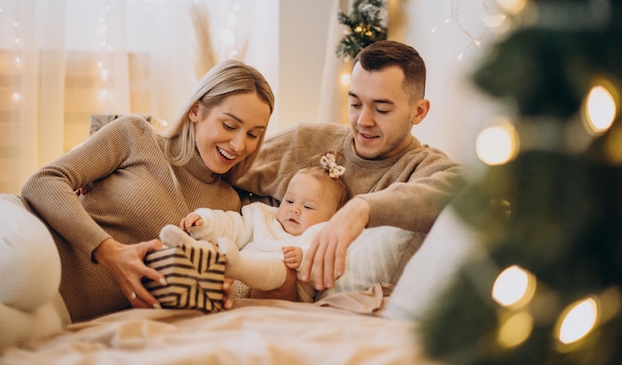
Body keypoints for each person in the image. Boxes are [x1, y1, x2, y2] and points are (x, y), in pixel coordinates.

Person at [9, 59, 275, 329]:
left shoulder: (228, 207)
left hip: (63, 311)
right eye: (229, 126)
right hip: (29, 239)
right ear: (196, 110)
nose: (240, 144)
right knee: (31, 274)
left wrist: (212, 287)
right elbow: (43, 181)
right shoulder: (136, 135)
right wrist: (110, 253)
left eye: (253, 134)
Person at [234, 40, 468, 296]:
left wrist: (361, 208)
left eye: (381, 109)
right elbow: (219, 168)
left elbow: (465, 191)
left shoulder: (420, 166)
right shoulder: (306, 140)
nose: (363, 121)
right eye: (355, 104)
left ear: (419, 112)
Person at [160, 152, 348, 303]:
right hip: (231, 283)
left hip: (273, 296)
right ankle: (189, 250)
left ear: (334, 215)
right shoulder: (263, 216)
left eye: (307, 207)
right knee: (215, 248)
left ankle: (237, 266)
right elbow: (234, 226)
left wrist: (303, 259)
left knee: (284, 271)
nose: (294, 210)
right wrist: (205, 221)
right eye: (289, 201)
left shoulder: (322, 234)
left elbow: (328, 269)